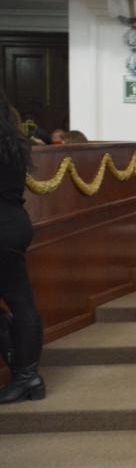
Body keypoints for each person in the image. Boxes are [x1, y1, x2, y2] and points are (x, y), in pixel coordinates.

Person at [0, 89, 45, 404]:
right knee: (21, 300)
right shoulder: (15, 142)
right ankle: (27, 376)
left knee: (19, 301)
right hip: (15, 223)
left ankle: (25, 375)